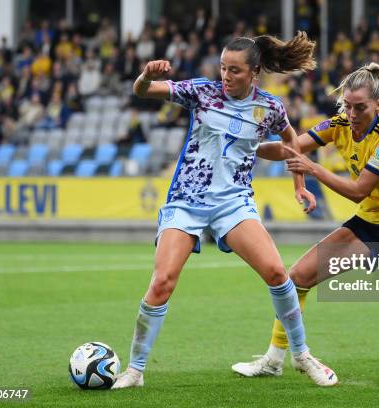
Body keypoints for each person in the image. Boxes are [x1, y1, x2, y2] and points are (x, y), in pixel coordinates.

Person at [112, 32, 338, 389]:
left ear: (254, 73)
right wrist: (146, 76)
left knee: (277, 272)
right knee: (162, 283)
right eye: (223, 68)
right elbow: (143, 92)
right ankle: (135, 370)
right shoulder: (202, 92)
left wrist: (299, 185)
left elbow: (291, 141)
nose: (226, 76)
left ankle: (301, 355)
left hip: (233, 203)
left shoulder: (269, 107)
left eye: (234, 70)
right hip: (186, 201)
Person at [232, 62, 379, 386]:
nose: (353, 113)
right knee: (297, 277)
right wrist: (246, 149)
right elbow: (292, 147)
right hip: (370, 222)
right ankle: (273, 360)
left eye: (360, 107)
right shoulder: (339, 123)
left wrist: (313, 170)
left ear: (378, 105)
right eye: (348, 105)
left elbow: (359, 191)